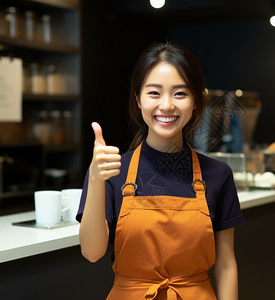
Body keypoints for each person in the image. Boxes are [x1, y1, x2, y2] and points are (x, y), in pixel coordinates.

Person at [77, 42, 244, 300]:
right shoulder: (111, 172)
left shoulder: (218, 175)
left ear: (196, 101)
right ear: (138, 99)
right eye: (154, 93)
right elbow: (91, 251)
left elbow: (226, 264)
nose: (166, 105)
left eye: (179, 94)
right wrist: (96, 179)